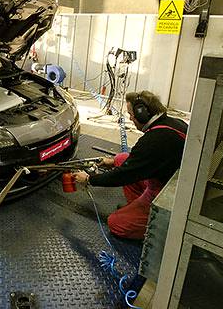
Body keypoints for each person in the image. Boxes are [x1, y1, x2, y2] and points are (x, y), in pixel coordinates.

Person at [73, 90, 188, 239]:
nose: (130, 118)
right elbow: (141, 161)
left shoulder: (154, 140)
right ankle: (138, 208)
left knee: (116, 223)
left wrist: (89, 179)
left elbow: (123, 175)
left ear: (142, 113)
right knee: (120, 158)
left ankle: (159, 224)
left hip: (168, 195)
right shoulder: (173, 123)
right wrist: (112, 162)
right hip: (170, 178)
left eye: (131, 114)